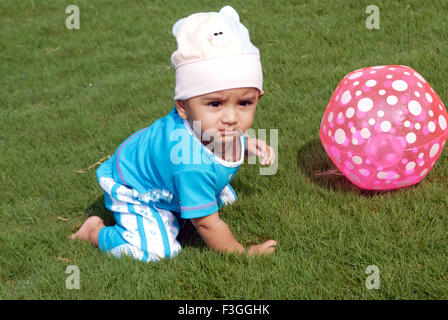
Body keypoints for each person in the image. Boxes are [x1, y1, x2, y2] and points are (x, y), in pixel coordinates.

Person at [71, 5, 277, 262]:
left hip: (167, 167)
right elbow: (207, 225)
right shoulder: (188, 161)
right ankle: (95, 233)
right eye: (215, 104)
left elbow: (227, 136)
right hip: (136, 187)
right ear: (183, 107)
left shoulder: (212, 127)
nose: (231, 117)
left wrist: (246, 144)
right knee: (158, 252)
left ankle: (188, 200)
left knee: (215, 192)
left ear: (258, 97)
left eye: (244, 103)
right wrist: (242, 253)